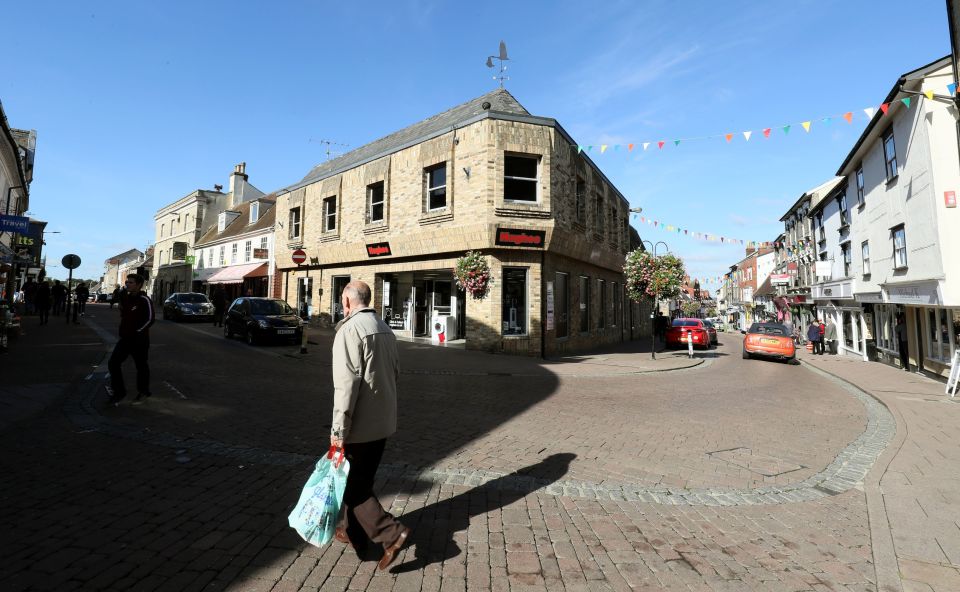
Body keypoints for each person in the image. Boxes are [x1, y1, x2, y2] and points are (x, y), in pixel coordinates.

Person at [329, 280, 411, 571]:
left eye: (342, 301)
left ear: (349, 302)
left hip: (359, 426)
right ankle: (353, 533)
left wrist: (338, 431)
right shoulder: (386, 329)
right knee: (362, 480)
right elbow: (396, 373)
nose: (342, 306)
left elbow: (345, 388)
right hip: (383, 421)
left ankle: (391, 533)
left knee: (353, 488)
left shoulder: (349, 330)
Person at [106, 274, 155, 406]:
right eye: (127, 282)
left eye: (131, 282)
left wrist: (138, 331)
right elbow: (125, 315)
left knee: (141, 366)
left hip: (139, 340)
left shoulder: (144, 299)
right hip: (125, 339)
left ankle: (144, 391)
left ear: (139, 285)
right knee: (113, 363)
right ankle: (119, 392)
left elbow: (150, 319)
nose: (127, 284)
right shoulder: (126, 297)